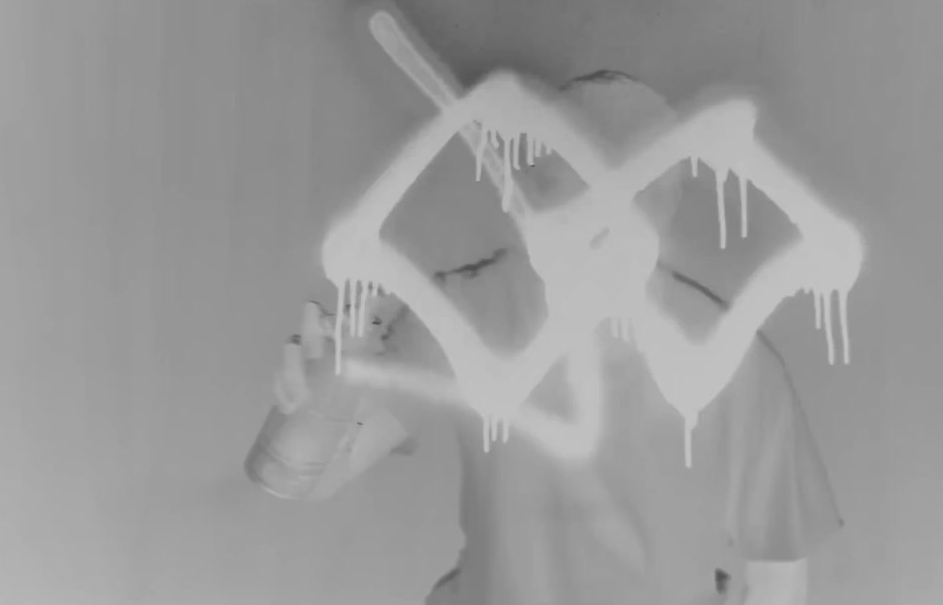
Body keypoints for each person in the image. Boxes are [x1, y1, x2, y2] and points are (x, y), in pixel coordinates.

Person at [272, 72, 843, 605]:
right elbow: (305, 476)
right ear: (541, 193)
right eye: (577, 184)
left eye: (634, 191)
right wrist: (310, 403)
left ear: (664, 203)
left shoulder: (739, 367)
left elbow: (779, 572)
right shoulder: (472, 313)